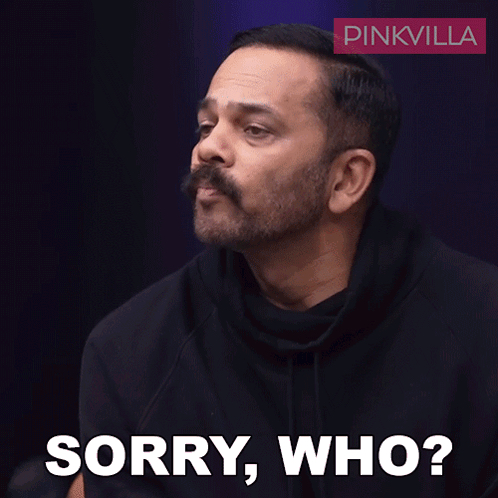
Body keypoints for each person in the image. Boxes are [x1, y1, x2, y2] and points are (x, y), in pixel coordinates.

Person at [79, 24, 498, 497]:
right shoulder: (133, 352)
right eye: (206, 125)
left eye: (255, 130)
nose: (207, 148)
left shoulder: (482, 331)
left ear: (346, 179)